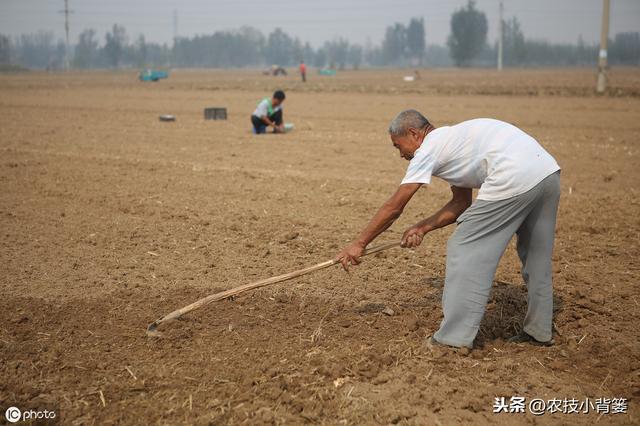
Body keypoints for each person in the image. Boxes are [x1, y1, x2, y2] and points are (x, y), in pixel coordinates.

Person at [335, 110, 561, 349]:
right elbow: (461, 203)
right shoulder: (452, 141)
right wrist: (422, 228)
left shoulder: (428, 149)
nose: (401, 155)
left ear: (414, 134)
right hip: (547, 173)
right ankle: (539, 331)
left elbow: (395, 206)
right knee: (536, 257)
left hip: (512, 175)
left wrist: (359, 243)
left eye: (398, 146)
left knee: (464, 247)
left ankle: (453, 338)